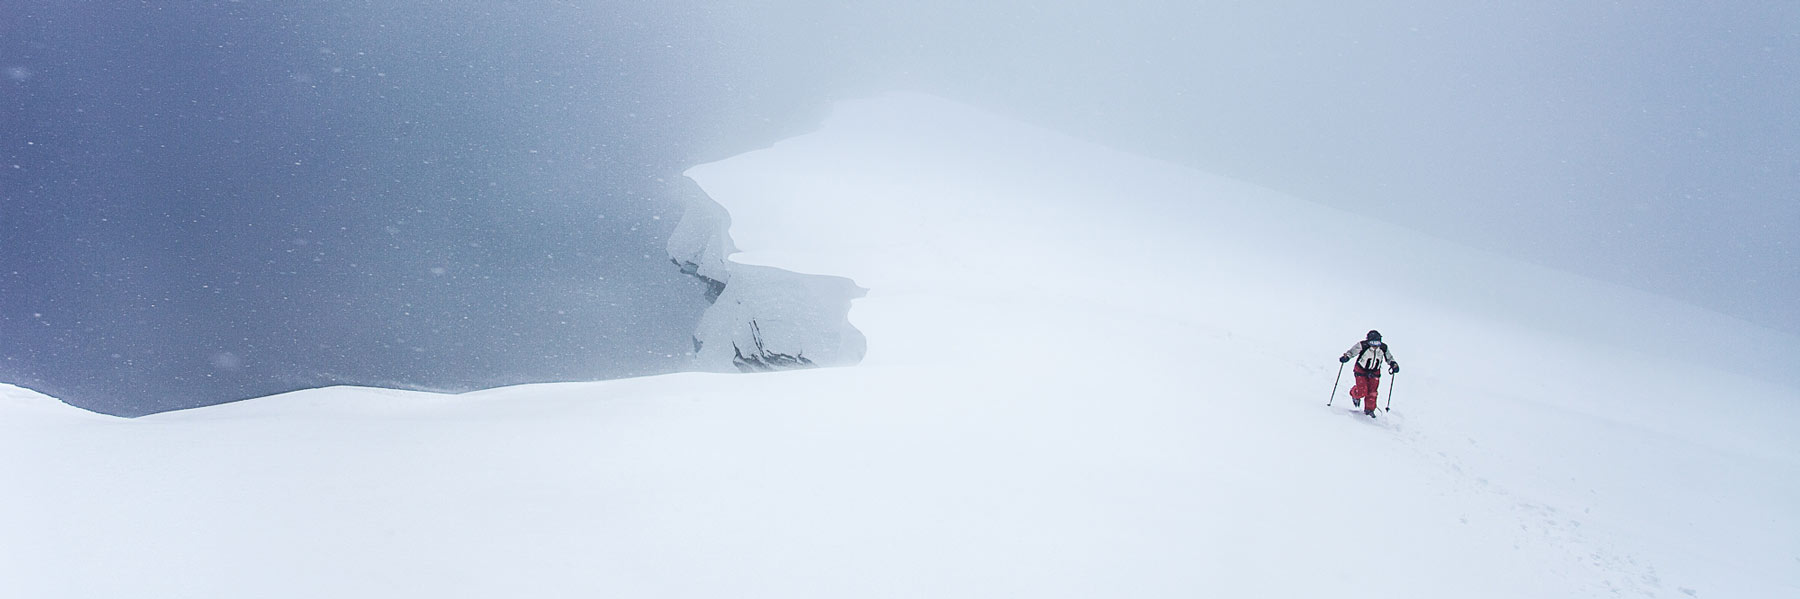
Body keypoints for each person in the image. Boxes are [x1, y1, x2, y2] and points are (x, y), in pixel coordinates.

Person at [1339, 330, 1399, 417]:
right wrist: (1346, 357)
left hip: (1375, 371)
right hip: (1361, 370)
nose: (1375, 345)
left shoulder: (1383, 348)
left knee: (1372, 392)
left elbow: (1389, 358)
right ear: (1368, 341)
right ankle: (1354, 393)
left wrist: (1393, 364)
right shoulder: (1363, 345)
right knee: (1362, 390)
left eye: (1377, 343)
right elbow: (1351, 352)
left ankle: (1369, 410)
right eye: (1372, 342)